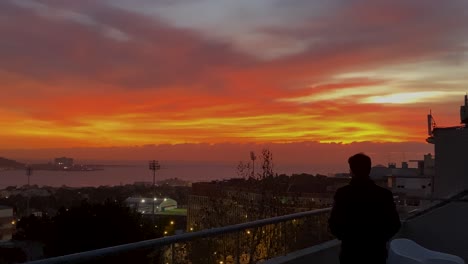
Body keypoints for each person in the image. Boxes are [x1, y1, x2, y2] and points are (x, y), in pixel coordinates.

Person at [328, 153, 401, 264]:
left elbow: (334, 223)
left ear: (351, 170)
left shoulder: (343, 193)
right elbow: (395, 224)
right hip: (376, 253)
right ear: (369, 169)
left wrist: (347, 238)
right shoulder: (384, 194)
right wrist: (379, 240)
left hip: (350, 253)